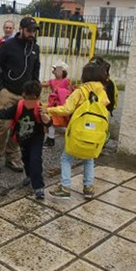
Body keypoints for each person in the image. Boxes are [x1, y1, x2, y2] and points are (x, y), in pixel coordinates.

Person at [47, 64, 110, 200]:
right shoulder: (102, 93)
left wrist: (49, 110)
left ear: (85, 76)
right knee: (89, 159)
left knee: (66, 158)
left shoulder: (80, 92)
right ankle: (88, 188)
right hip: (95, 134)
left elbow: (66, 110)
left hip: (78, 132)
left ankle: (65, 187)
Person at [0, 17, 40, 174]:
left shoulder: (35, 48)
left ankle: (12, 156)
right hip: (7, 93)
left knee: (21, 128)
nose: (32, 34)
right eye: (29, 30)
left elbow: (36, 70)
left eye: (34, 31)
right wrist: (0, 88)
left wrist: (35, 93)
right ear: (22, 29)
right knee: (2, 127)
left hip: (26, 97)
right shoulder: (7, 46)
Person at [0, 80, 51, 200]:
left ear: (36, 98)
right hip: (23, 139)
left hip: (36, 139)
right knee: (26, 159)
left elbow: (49, 123)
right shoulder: (19, 106)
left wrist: (46, 118)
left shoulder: (40, 109)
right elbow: (7, 112)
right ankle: (30, 175)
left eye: (30, 99)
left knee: (35, 160)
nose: (27, 101)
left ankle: (38, 187)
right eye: (25, 97)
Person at [42, 61, 72, 147]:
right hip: (53, 106)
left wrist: (59, 92)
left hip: (61, 106)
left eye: (56, 69)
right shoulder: (52, 81)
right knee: (52, 123)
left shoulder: (66, 81)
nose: (54, 71)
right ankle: (50, 140)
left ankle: (69, 135)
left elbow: (69, 93)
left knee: (58, 123)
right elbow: (44, 84)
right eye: (54, 70)